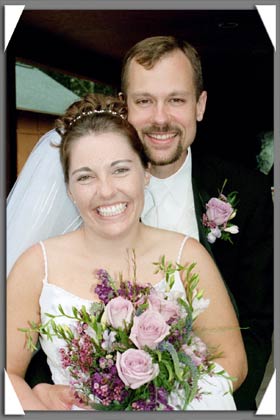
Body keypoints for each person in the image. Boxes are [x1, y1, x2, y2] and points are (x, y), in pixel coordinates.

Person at [6, 36, 273, 410]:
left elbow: (252, 335)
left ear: (200, 104)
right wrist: (44, 393)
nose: (160, 117)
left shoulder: (244, 197)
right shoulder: (42, 258)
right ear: (125, 104)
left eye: (176, 100)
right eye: (145, 100)